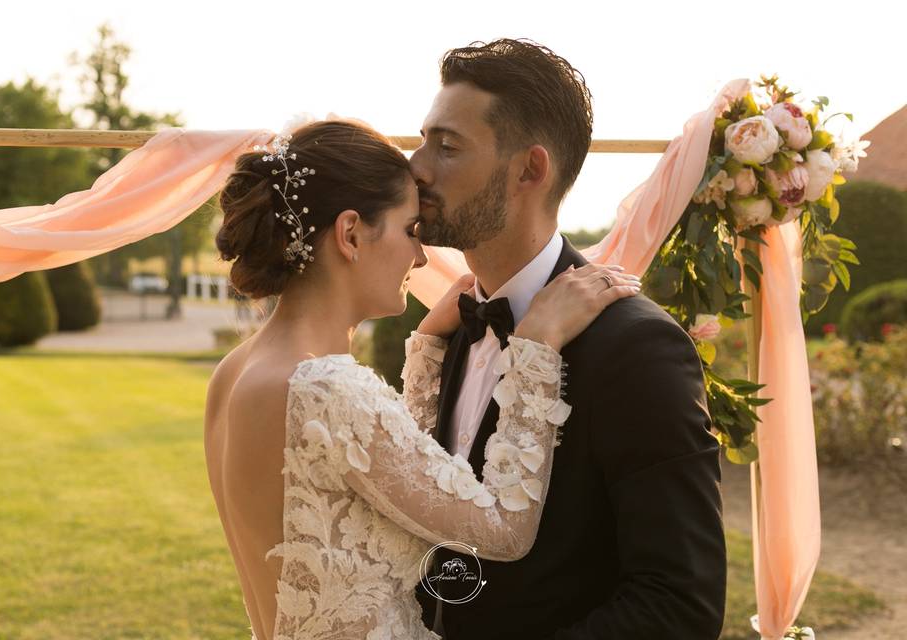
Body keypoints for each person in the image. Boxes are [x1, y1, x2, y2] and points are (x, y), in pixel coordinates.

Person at [203, 119, 642, 639]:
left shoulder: (236, 371)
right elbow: (502, 531)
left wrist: (427, 353)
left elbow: (378, 479)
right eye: (410, 230)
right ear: (350, 235)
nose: (420, 256)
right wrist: (537, 345)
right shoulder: (327, 390)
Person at [409, 38, 728, 639]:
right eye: (423, 140)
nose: (416, 167)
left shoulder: (638, 349)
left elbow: (680, 604)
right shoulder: (452, 327)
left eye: (446, 146)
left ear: (530, 169)